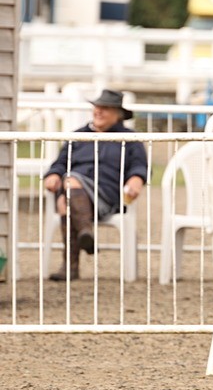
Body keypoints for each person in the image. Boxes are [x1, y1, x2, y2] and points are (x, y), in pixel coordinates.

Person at [42, 89, 148, 280]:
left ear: (118, 114)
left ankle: (73, 261)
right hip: (73, 192)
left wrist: (137, 178)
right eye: (97, 107)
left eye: (105, 108)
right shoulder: (78, 136)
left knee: (68, 188)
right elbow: (60, 163)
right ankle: (82, 240)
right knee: (66, 195)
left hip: (108, 195)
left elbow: (140, 165)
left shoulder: (130, 138)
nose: (98, 111)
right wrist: (53, 174)